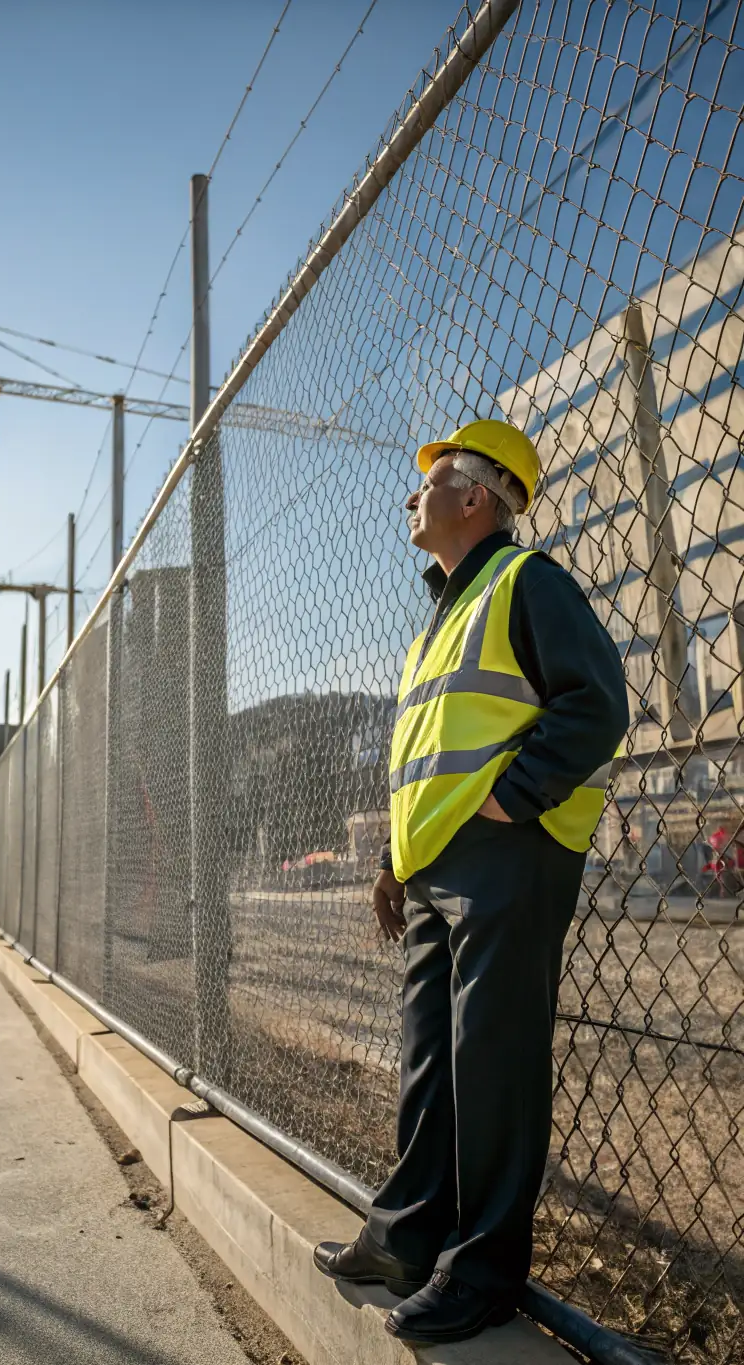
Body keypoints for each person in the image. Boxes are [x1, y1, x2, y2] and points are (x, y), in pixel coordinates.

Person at [314, 419, 629, 1345]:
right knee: (431, 1063)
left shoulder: (525, 581)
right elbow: (422, 759)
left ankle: (483, 1269)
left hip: (508, 855)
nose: (411, 497)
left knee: (491, 1061)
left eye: (431, 480)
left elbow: (598, 701)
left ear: (475, 497)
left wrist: (517, 797)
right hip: (435, 868)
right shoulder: (435, 626)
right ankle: (407, 1238)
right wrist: (389, 862)